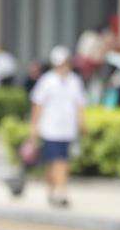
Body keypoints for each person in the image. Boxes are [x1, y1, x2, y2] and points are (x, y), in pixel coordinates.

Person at [30, 45, 86, 209]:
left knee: (63, 162)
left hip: (67, 130)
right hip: (50, 129)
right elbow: (37, 105)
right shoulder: (47, 81)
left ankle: (59, 191)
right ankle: (56, 191)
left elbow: (80, 104)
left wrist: (82, 123)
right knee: (55, 162)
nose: (63, 66)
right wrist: (34, 127)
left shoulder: (75, 81)